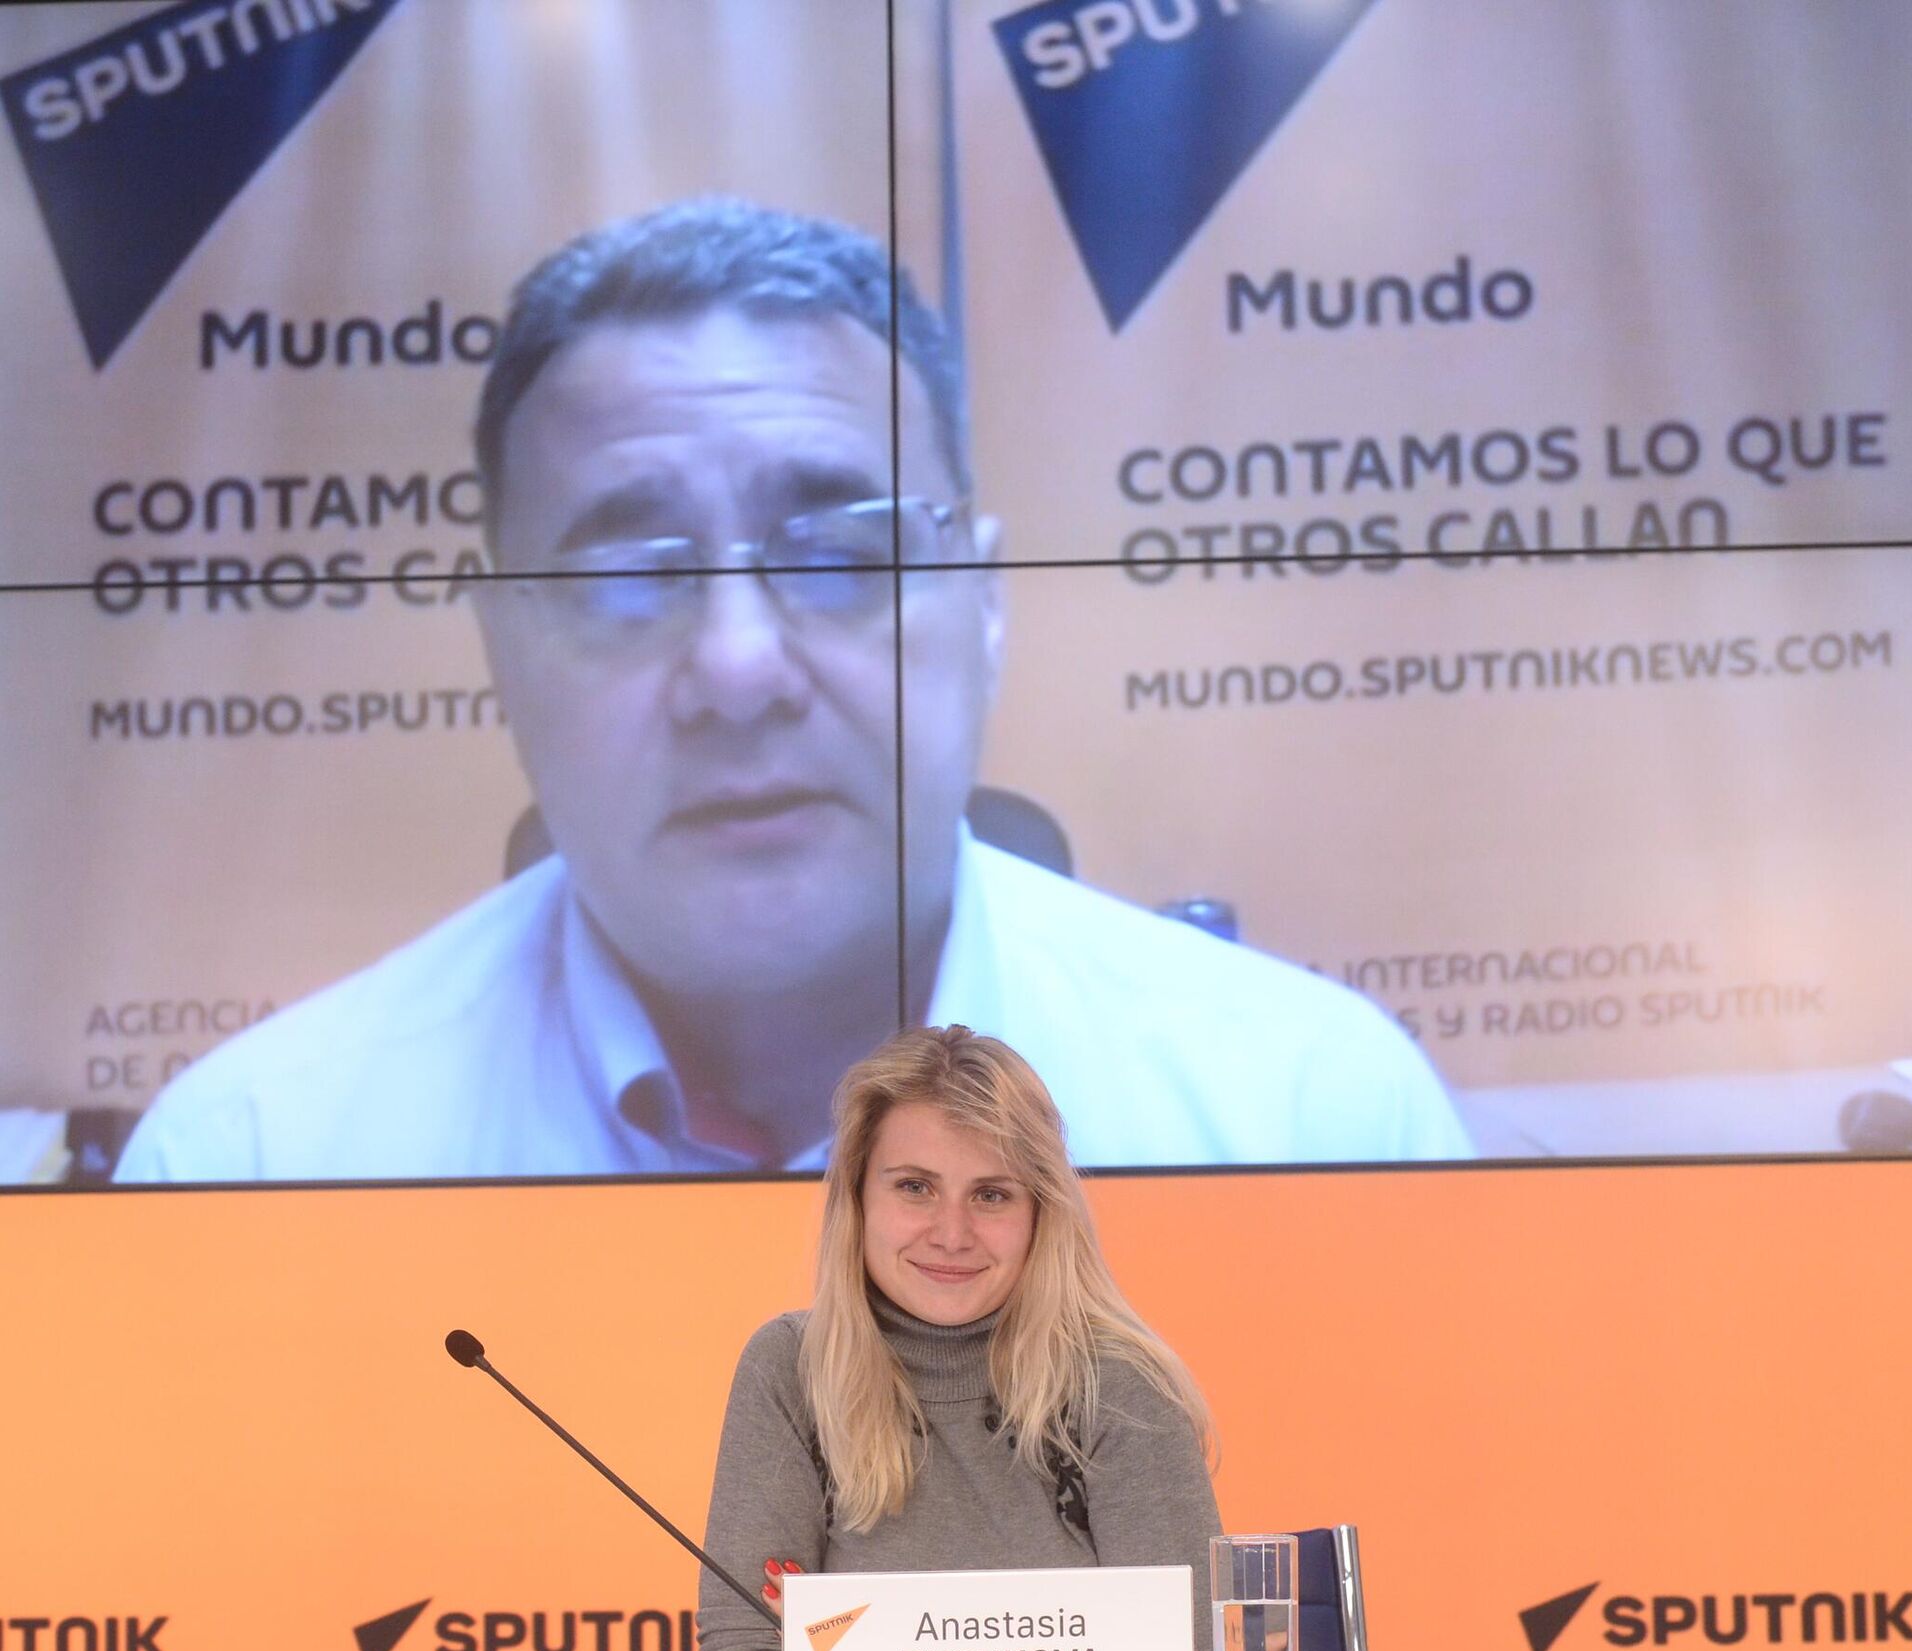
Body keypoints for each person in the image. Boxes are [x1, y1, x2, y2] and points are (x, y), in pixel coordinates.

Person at [114, 198, 1469, 1183]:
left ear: (986, 605)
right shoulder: (258, 1161)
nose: (740, 669)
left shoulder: (1310, 1118)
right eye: (626, 576)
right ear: (503, 649)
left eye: (843, 554)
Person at [697, 1024, 1222, 1651]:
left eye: (992, 1194)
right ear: (857, 1198)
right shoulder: (790, 1370)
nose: (951, 1233)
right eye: (915, 1187)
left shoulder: (1120, 1386)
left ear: (1041, 1212)